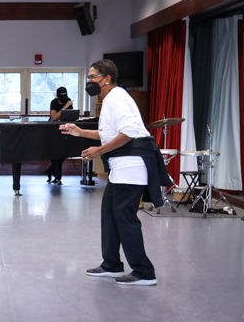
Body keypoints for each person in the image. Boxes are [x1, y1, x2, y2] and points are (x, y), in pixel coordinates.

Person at [60, 59, 170, 286]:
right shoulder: (111, 98)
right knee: (110, 215)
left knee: (125, 218)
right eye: (88, 77)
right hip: (121, 168)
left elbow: (129, 132)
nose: (89, 81)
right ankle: (111, 264)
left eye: (92, 77)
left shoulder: (116, 98)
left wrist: (99, 150)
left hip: (131, 167)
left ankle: (144, 271)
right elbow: (111, 134)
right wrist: (80, 132)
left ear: (106, 78)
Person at [45, 86, 73, 185]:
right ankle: (57, 177)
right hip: (53, 130)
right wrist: (64, 107)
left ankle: (51, 170)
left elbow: (71, 116)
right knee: (55, 153)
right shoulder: (54, 102)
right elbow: (54, 117)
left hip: (64, 129)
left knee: (63, 152)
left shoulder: (68, 101)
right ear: (57, 96)